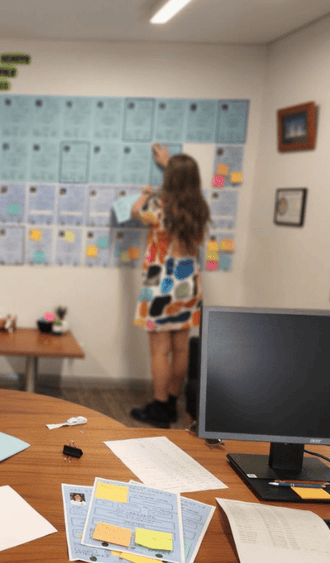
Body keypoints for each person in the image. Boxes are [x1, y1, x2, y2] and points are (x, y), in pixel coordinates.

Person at [129, 144, 210, 428]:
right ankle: (172, 401)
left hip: (161, 285)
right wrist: (169, 164)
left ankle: (160, 406)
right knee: (181, 349)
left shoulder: (160, 207)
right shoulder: (199, 208)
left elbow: (135, 211)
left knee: (159, 351)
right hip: (187, 284)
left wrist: (145, 194)